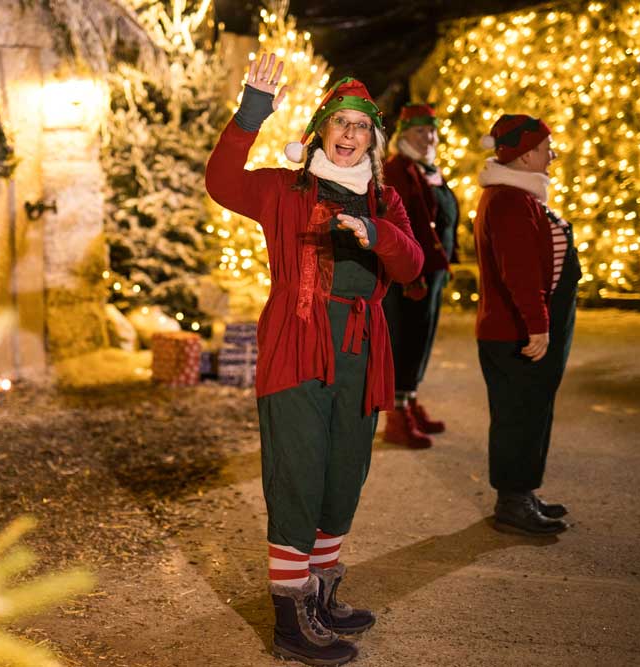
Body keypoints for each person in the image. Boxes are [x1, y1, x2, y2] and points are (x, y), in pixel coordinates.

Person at [206, 53, 423, 666]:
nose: (350, 135)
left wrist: (376, 233)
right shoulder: (285, 189)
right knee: (298, 474)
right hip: (298, 343)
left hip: (360, 349)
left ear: (373, 141)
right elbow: (222, 182)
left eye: (362, 127)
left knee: (344, 473)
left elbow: (410, 267)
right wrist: (251, 111)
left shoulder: (386, 200)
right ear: (321, 131)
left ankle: (323, 594)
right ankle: (290, 618)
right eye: (341, 124)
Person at [473, 114, 579, 536]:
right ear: (526, 153)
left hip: (522, 329)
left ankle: (523, 492)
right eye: (546, 148)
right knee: (518, 415)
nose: (552, 154)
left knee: (532, 412)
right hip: (514, 333)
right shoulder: (510, 201)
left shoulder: (521, 196)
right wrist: (538, 324)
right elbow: (519, 271)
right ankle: (512, 502)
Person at [381, 103, 459, 449]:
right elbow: (400, 222)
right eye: (419, 131)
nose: (427, 137)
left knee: (423, 339)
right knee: (406, 339)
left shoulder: (431, 170)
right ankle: (396, 417)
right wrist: (409, 273)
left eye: (431, 131)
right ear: (404, 135)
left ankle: (410, 400)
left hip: (434, 269)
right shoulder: (398, 169)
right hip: (411, 273)